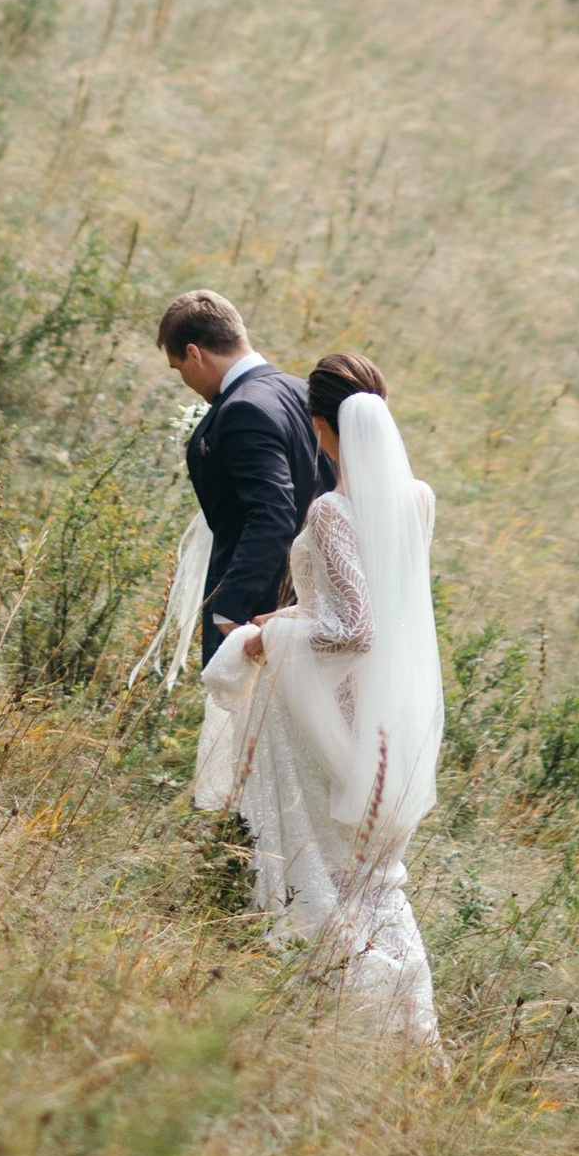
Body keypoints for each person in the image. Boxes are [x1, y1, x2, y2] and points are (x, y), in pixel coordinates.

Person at [195, 351, 444, 1049]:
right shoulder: (416, 499)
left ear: (318, 423)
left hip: (330, 715)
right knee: (375, 882)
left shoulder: (334, 510)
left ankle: (350, 1027)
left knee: (330, 878)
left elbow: (352, 630)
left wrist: (265, 641)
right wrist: (292, 619)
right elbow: (381, 618)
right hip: (388, 718)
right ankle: (409, 1033)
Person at [155, 287, 321, 667]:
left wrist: (231, 606)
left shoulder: (243, 408)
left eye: (179, 368)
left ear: (194, 353)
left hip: (263, 610)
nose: (186, 380)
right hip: (315, 602)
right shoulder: (304, 392)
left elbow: (273, 512)